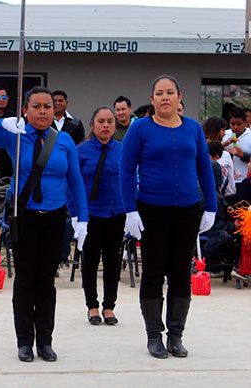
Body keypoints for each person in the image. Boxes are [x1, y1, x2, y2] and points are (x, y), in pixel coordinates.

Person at [0, 86, 88, 363]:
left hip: (55, 218)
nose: (43, 111)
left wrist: (82, 217)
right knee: (25, 282)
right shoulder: (16, 135)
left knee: (47, 282)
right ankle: (24, 341)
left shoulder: (65, 141)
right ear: (26, 109)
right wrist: (2, 123)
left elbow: (75, 181)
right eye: (36, 106)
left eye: (47, 106)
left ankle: (45, 341)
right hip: (24, 217)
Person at [121, 75, 217, 359]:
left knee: (179, 273)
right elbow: (126, 170)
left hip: (187, 211)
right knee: (153, 272)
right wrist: (129, 210)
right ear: (152, 99)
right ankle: (154, 336)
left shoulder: (193, 129)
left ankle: (176, 335)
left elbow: (204, 168)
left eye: (170, 92)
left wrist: (210, 206)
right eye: (159, 93)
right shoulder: (140, 129)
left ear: (179, 97)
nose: (165, 97)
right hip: (152, 210)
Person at [70, 107, 125, 326]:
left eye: (110, 121)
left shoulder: (123, 150)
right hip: (90, 213)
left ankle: (109, 306)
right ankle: (92, 305)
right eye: (101, 121)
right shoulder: (81, 151)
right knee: (90, 260)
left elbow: (131, 180)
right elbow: (71, 183)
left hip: (116, 212)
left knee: (113, 260)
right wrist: (75, 213)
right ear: (92, 125)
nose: (105, 125)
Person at [203, 116, 234, 199]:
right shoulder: (224, 155)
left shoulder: (199, 149)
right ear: (215, 131)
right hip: (221, 197)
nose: (224, 133)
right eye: (223, 130)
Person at [222, 107, 251, 187]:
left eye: (239, 124)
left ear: (245, 123)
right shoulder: (224, 135)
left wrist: (243, 155)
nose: (235, 127)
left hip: (244, 182)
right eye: (232, 124)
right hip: (226, 182)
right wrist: (223, 146)